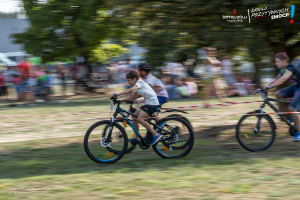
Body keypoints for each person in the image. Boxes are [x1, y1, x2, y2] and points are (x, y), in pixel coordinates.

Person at [111, 69, 163, 146]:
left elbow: (130, 90)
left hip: (152, 103)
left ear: (134, 79)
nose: (128, 83)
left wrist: (117, 94)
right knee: (134, 116)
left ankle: (156, 134)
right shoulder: (137, 87)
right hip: (149, 103)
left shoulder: (140, 82)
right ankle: (137, 138)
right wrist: (120, 100)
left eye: (129, 80)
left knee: (139, 119)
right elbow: (132, 98)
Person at [264, 52, 300, 141]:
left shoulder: (290, 68)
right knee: (278, 94)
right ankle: (294, 113)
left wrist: (270, 86)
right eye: (275, 61)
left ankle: (298, 133)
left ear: (284, 61)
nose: (276, 63)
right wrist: (266, 87)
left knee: (292, 108)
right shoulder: (282, 70)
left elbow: (282, 79)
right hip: (295, 87)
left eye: (278, 61)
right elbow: (276, 79)